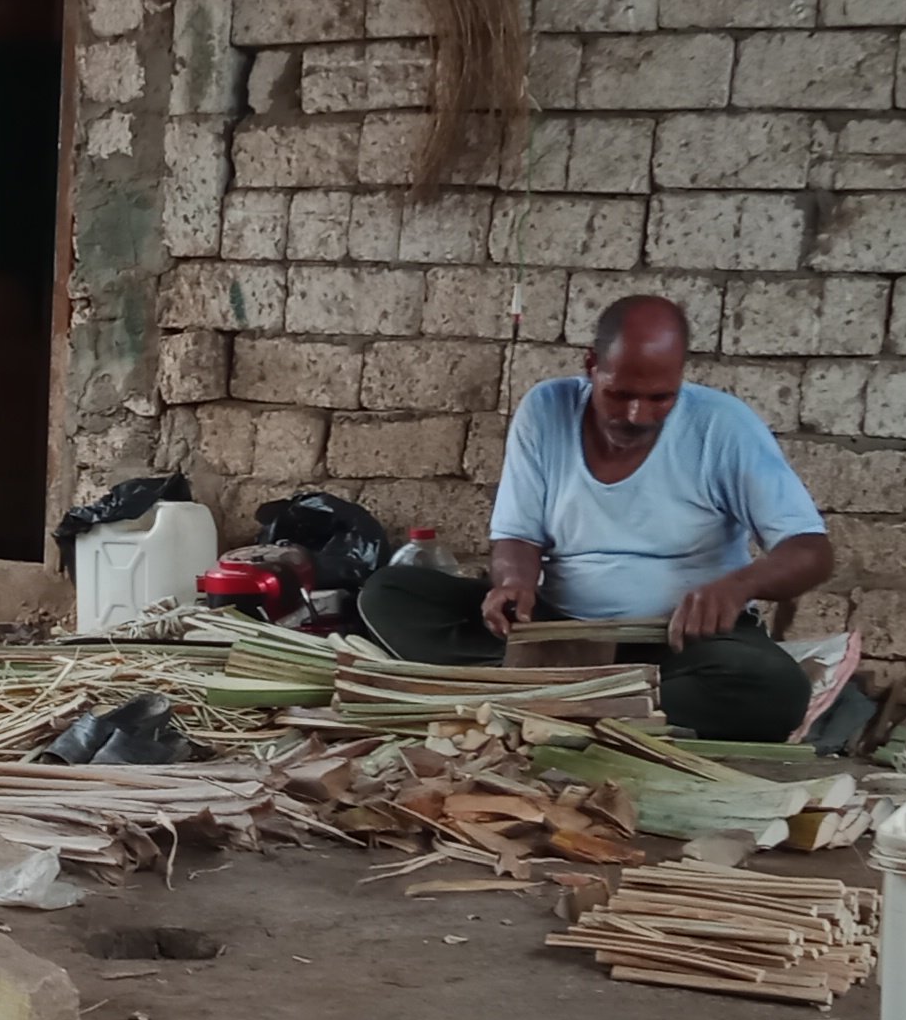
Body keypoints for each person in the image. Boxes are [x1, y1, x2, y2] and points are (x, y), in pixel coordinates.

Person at [353, 294, 834, 743]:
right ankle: (589, 703)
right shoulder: (546, 410)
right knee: (391, 592)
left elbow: (810, 550)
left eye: (660, 398)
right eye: (619, 393)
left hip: (683, 644)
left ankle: (535, 700)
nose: (636, 414)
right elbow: (517, 536)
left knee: (776, 691)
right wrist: (513, 583)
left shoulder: (723, 426)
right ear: (590, 367)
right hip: (558, 634)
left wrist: (737, 587)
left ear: (681, 378)